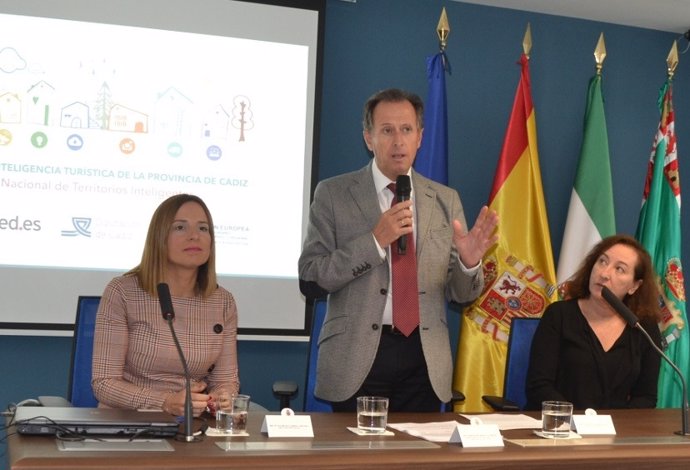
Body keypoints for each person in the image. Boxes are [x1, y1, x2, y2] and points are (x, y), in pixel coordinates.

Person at [298, 88, 499, 412]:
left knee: (418, 461)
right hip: (357, 356)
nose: (398, 141)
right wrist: (375, 241)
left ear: (420, 137)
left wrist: (468, 262)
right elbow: (310, 278)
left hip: (424, 358)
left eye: (406, 130)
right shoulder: (334, 194)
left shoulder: (445, 200)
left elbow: (461, 296)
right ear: (368, 137)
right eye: (386, 130)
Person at [92, 194, 240, 417]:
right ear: (159, 237)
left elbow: (225, 381)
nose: (194, 236)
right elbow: (104, 383)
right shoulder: (123, 292)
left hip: (193, 426)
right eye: (180, 227)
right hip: (129, 423)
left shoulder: (222, 301)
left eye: (203, 229)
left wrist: (222, 397)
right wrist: (165, 402)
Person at [526, 234, 662, 410]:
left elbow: (646, 397)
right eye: (602, 262)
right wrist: (576, 422)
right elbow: (539, 387)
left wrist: (615, 428)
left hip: (616, 432)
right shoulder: (559, 315)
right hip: (560, 428)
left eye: (619, 269)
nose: (604, 273)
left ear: (634, 286)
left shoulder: (643, 328)